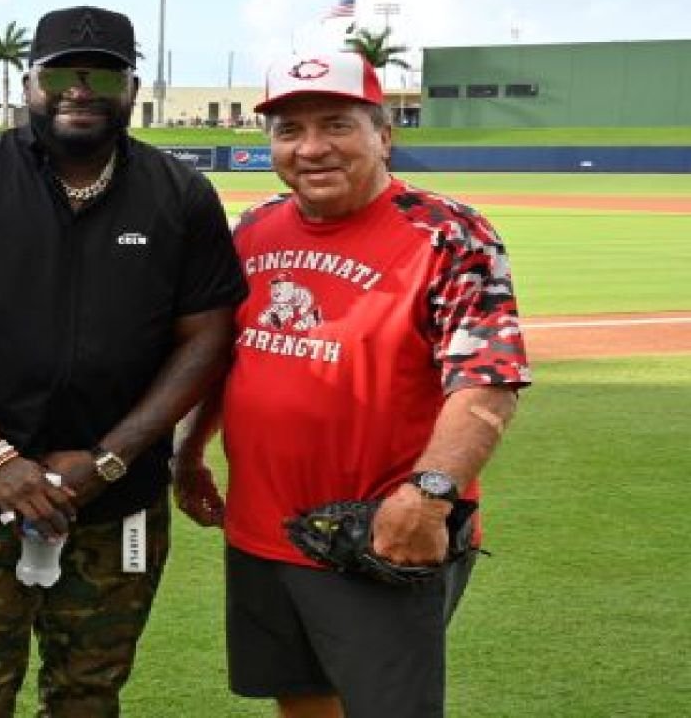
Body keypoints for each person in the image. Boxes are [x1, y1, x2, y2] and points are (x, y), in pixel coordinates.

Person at [0, 5, 247, 717]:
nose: (80, 90)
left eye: (102, 76)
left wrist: (109, 460)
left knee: (88, 698)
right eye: (60, 75)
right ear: (29, 85)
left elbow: (205, 338)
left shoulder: (180, 194)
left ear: (131, 89)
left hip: (116, 504)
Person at [173, 52, 532, 718]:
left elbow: (489, 381)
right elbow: (231, 355)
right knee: (300, 697)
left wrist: (428, 499)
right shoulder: (254, 228)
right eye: (290, 130)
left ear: (383, 135)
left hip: (380, 532)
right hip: (260, 528)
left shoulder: (449, 234)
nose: (312, 148)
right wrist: (190, 450)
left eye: (336, 124)